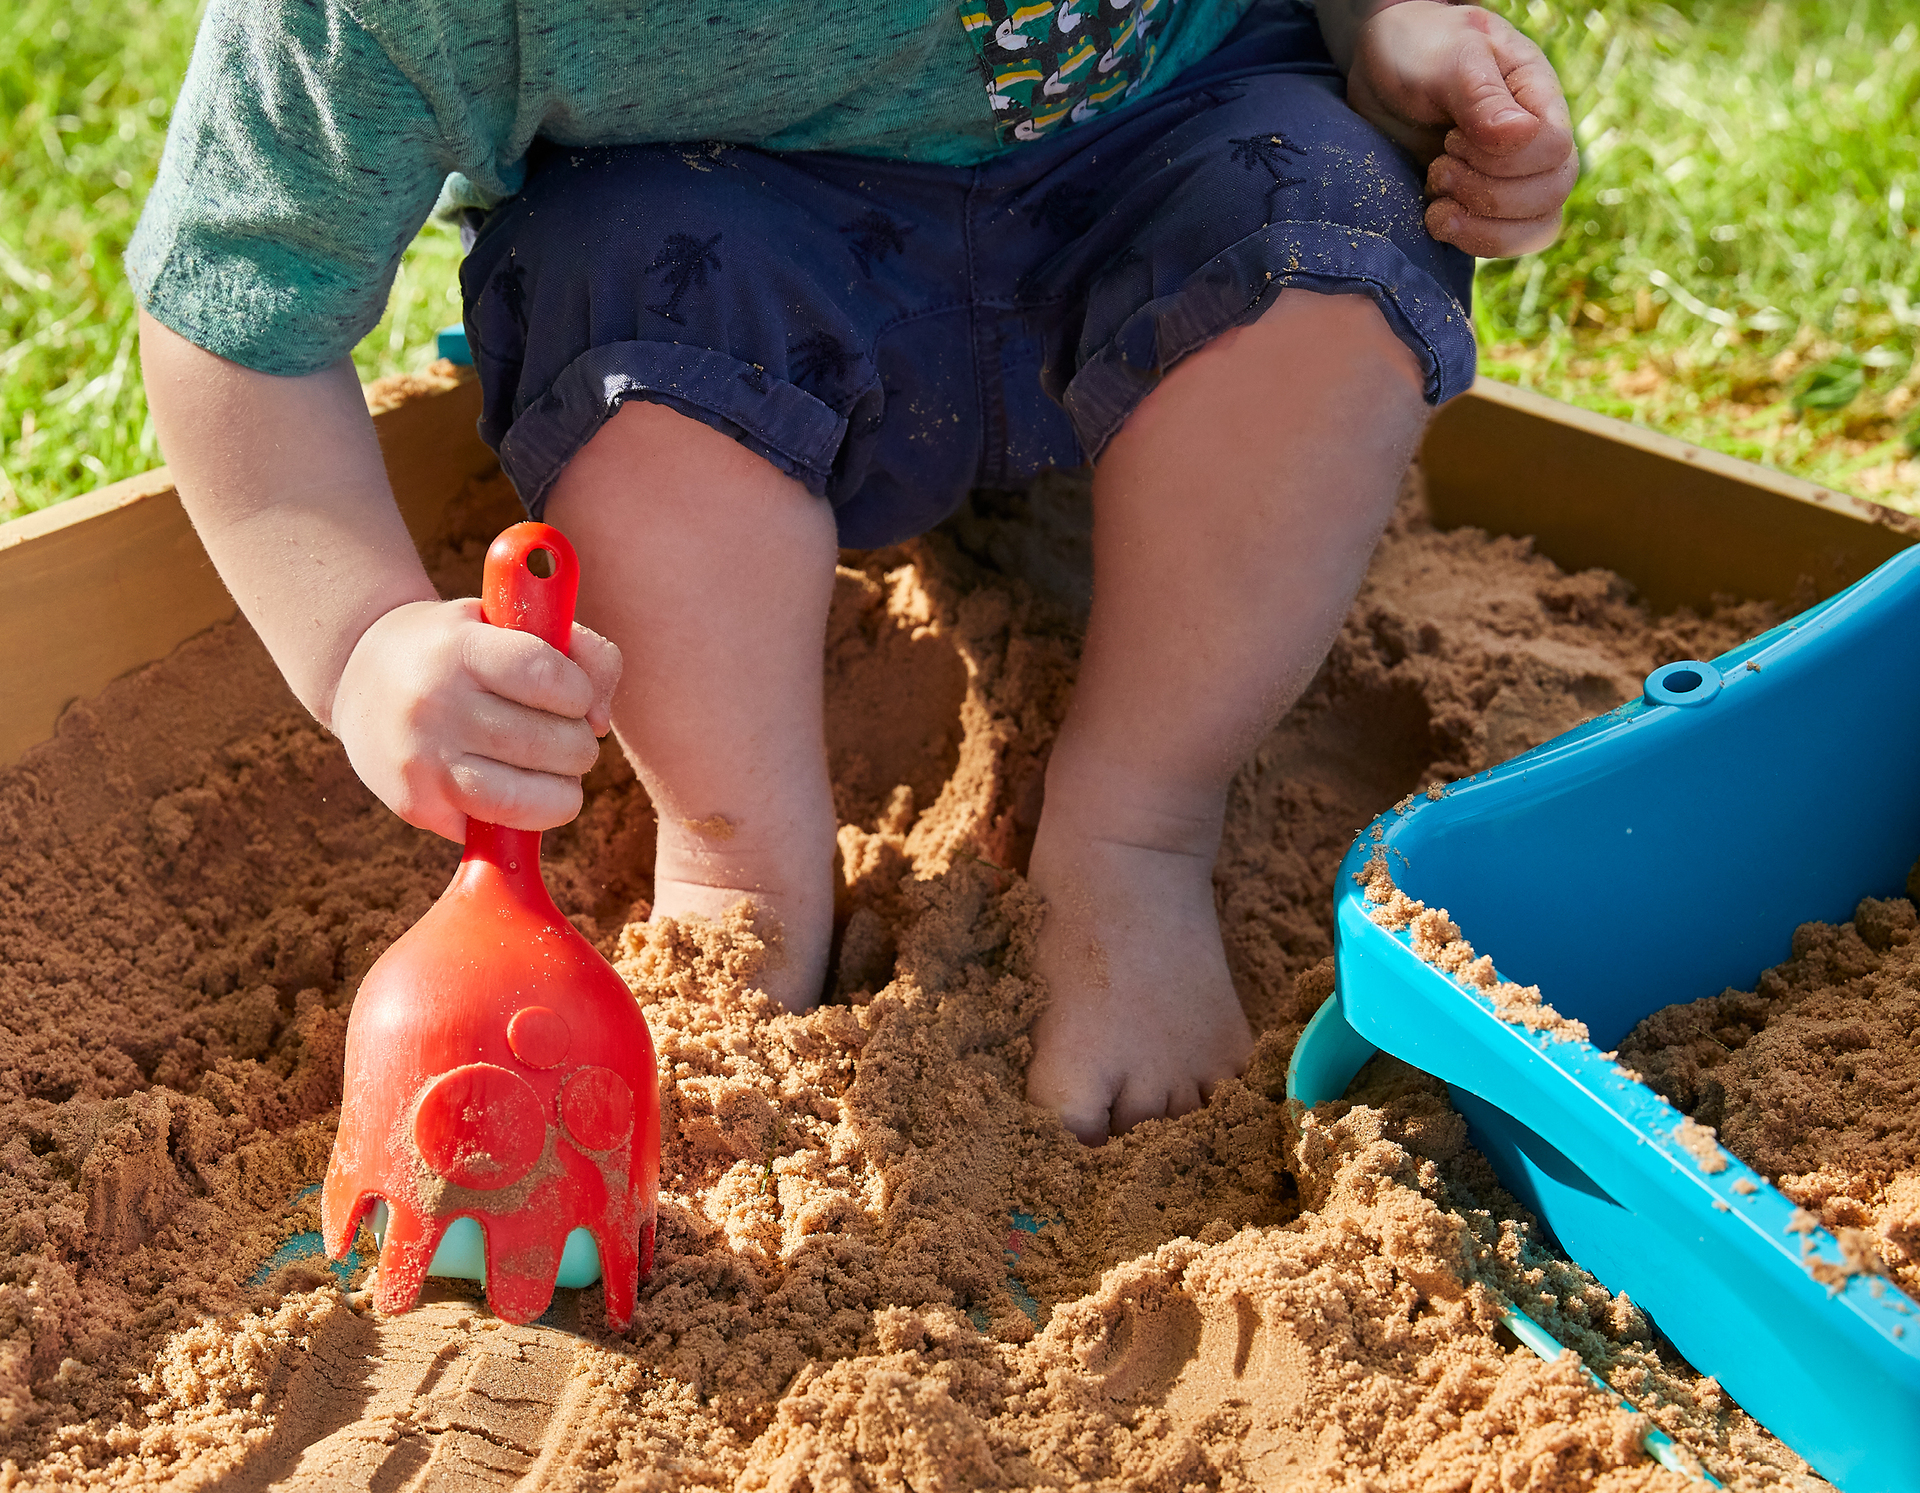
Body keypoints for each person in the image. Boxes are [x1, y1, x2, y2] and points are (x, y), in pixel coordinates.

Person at [131, 0, 1575, 1144]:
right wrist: (369, 641)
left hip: (1167, 180)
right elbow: (233, 311)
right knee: (623, 320)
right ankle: (744, 877)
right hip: (722, 267)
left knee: (1326, 245)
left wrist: (1390, 22)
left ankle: (1136, 828)